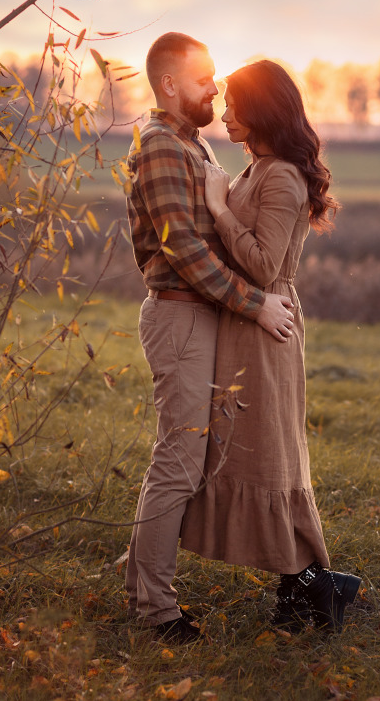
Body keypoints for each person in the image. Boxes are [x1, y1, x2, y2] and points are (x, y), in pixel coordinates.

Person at [124, 33, 296, 644]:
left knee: (184, 458)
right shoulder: (163, 147)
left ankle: (142, 577)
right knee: (178, 459)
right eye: (204, 80)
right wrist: (255, 305)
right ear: (169, 85)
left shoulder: (190, 145)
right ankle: (157, 612)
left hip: (201, 316)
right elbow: (185, 249)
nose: (215, 90)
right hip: (180, 315)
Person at [179, 60, 361, 633]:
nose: (225, 112)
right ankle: (310, 588)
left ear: (261, 110)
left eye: (235, 103)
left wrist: (215, 206)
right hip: (245, 324)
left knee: (270, 455)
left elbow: (261, 264)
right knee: (257, 451)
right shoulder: (256, 168)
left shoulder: (280, 175)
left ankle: (311, 585)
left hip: (266, 326)